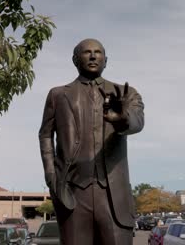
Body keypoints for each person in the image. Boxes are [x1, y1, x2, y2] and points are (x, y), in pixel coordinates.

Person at [38, 38, 144, 245]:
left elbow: (137, 122)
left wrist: (123, 119)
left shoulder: (125, 93)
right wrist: (52, 176)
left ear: (106, 60)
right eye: (87, 52)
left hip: (113, 195)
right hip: (73, 192)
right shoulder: (58, 95)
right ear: (75, 59)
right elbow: (45, 135)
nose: (94, 56)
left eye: (98, 52)